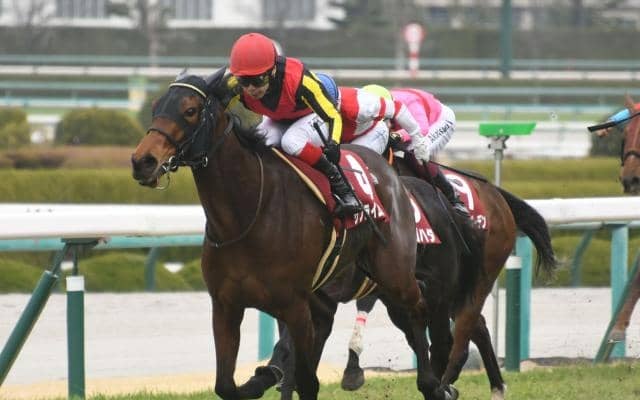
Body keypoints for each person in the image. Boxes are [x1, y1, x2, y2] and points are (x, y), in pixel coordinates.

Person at [227, 32, 359, 217]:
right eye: (244, 81)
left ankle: (342, 186)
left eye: (258, 80)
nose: (251, 89)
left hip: (313, 117)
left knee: (291, 141)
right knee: (258, 143)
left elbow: (332, 115)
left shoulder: (298, 80)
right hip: (279, 119)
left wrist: (334, 143)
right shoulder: (233, 84)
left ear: (273, 70)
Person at [361, 84, 469, 216]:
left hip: (436, 121)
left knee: (415, 152)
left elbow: (421, 129)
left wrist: (397, 135)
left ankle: (453, 197)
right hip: (406, 122)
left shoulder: (409, 103)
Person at [314, 73, 428, 157]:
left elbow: (399, 109)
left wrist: (418, 141)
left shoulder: (359, 105)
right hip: (348, 133)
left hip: (371, 134)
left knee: (350, 161)